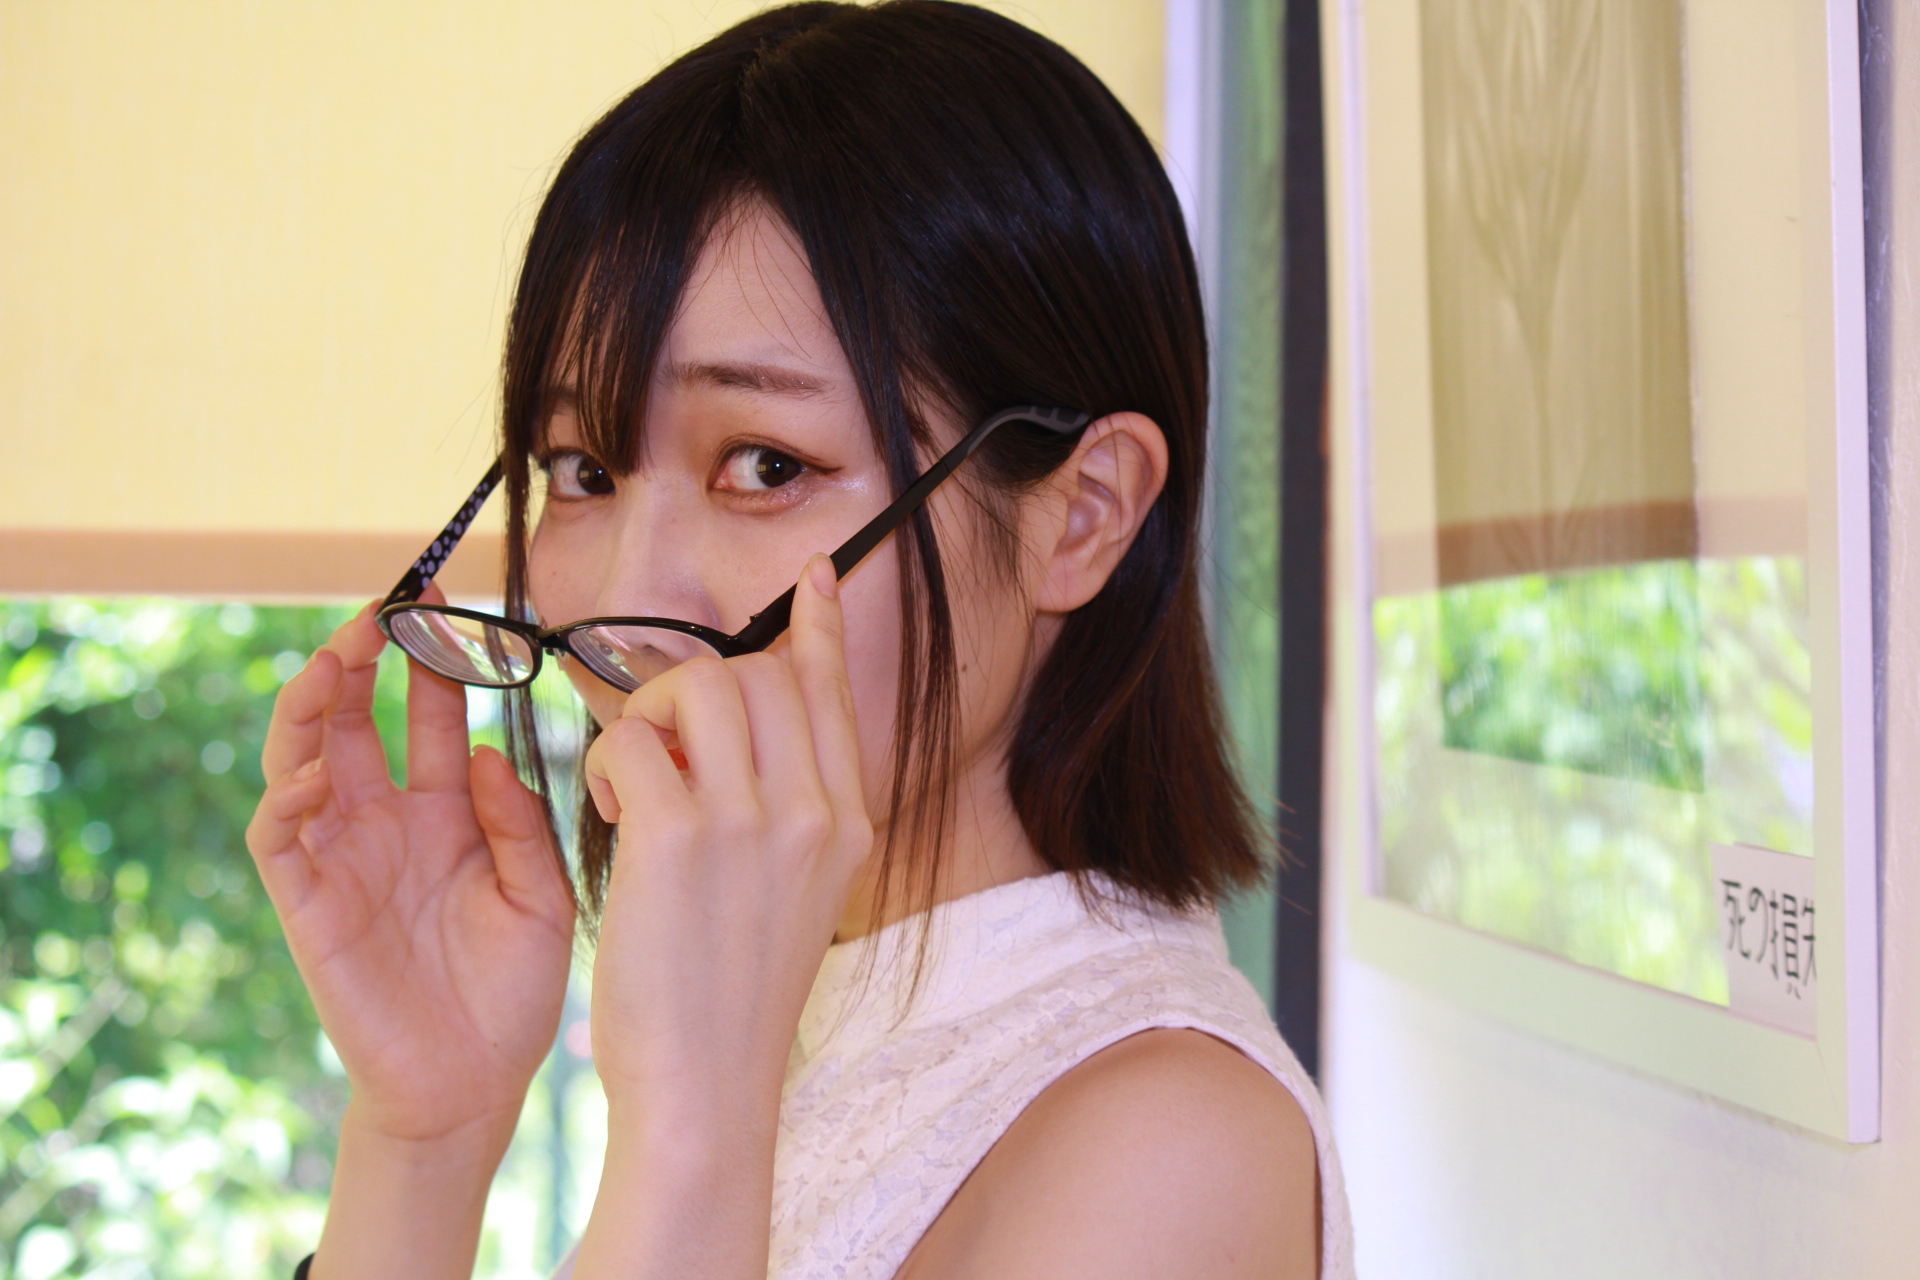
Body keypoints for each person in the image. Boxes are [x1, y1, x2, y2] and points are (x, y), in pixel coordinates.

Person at [244, 3, 1354, 1277]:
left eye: (767, 464)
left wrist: (693, 1122)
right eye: (583, 467)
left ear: (1085, 513)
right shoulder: (792, 1017)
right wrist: (423, 1134)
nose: (620, 591)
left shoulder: (1172, 1147)